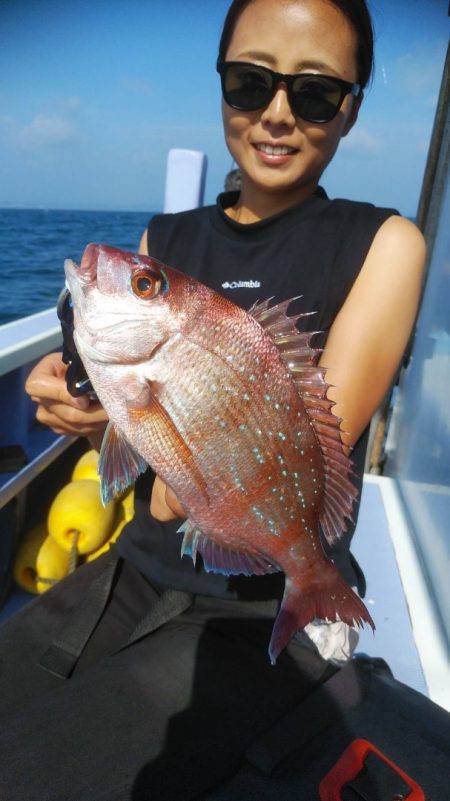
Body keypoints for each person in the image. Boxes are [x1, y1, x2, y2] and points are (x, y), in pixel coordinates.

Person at [0, 1, 425, 799]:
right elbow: (145, 481)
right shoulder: (164, 236)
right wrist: (88, 410)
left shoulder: (386, 243)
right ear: (223, 84)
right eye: (250, 80)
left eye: (315, 94)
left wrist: (126, 424)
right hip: (130, 570)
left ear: (352, 108)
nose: (276, 112)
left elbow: (265, 467)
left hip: (266, 601)